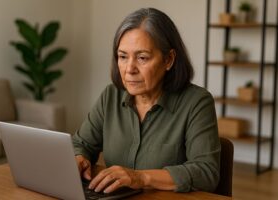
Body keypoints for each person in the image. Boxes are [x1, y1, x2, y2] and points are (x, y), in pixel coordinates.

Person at [72, 7, 220, 194]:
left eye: (142, 58)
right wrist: (79, 158)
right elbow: (81, 144)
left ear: (169, 60)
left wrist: (140, 177)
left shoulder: (197, 102)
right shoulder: (111, 95)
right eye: (123, 57)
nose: (129, 69)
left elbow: (206, 173)